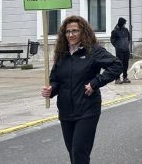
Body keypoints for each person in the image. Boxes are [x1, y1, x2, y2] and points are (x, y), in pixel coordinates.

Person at [41, 16, 122, 164]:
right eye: (67, 32)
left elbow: (116, 65)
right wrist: (51, 90)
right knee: (72, 153)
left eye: (75, 31)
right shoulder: (62, 54)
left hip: (87, 109)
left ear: (83, 32)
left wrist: (95, 83)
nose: (70, 35)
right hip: (66, 111)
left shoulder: (94, 51)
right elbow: (56, 79)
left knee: (79, 152)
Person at [110, 17, 132, 84]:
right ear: (120, 23)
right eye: (124, 23)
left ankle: (125, 77)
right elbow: (112, 40)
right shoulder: (114, 31)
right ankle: (117, 78)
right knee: (119, 64)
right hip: (119, 51)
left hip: (126, 50)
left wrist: (126, 44)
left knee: (126, 64)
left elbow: (129, 38)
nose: (124, 25)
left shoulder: (126, 30)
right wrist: (118, 46)